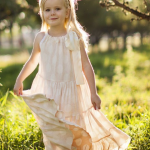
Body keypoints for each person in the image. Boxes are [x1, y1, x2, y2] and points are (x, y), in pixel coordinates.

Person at [13, 0, 131, 149]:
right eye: (48, 10)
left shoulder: (74, 37)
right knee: (55, 130)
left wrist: (93, 93)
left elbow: (86, 66)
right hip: (50, 94)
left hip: (71, 94)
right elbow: (32, 62)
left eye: (57, 8)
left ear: (67, 12)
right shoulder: (41, 38)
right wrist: (19, 79)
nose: (52, 13)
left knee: (73, 128)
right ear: (42, 12)